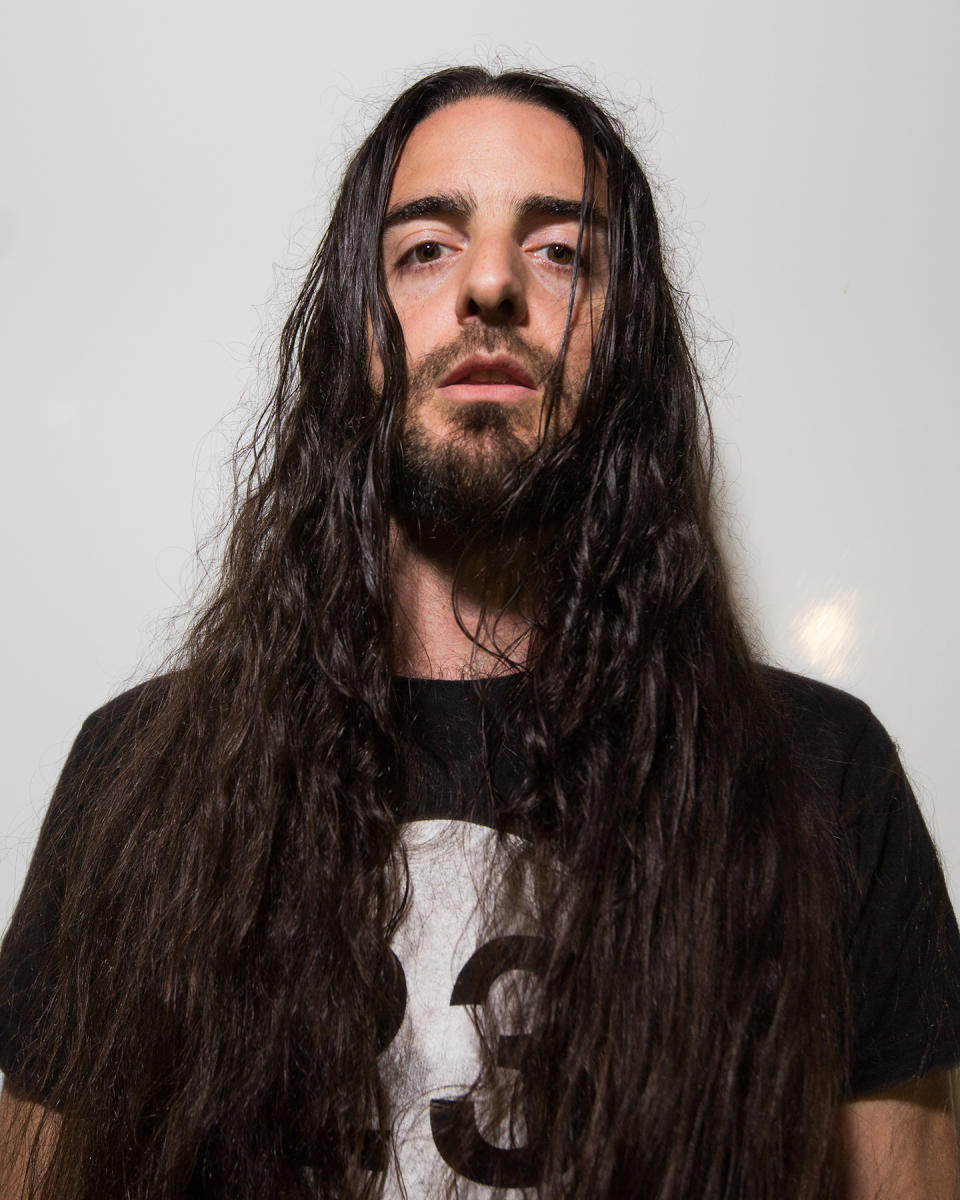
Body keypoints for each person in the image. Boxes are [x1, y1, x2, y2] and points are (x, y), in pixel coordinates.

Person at [0, 65, 958, 1200]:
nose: (494, 281)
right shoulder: (141, 776)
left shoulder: (819, 775)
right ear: (358, 332)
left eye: (561, 251)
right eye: (426, 249)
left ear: (627, 343)